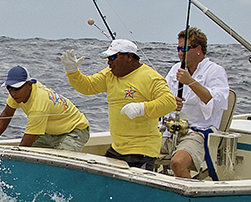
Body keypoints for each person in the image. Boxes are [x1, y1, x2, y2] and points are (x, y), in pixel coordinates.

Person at [61, 38, 177, 170]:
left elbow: (169, 102)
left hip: (142, 151)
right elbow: (88, 87)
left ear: (129, 57)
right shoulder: (109, 74)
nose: (109, 62)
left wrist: (141, 108)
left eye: (113, 57)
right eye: (108, 58)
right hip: (117, 148)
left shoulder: (150, 77)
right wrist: (73, 72)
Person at [160, 27, 230, 179]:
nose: (180, 53)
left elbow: (216, 101)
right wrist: (171, 102)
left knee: (178, 162)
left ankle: (190, 195)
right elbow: (163, 95)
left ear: (198, 49)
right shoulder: (175, 69)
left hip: (198, 133)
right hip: (171, 130)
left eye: (185, 49)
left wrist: (190, 82)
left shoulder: (215, 71)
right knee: (138, 150)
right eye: (178, 49)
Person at [0, 66, 90, 151]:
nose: (13, 92)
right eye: (9, 88)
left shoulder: (39, 103)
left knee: (61, 163)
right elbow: (7, 113)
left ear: (30, 84)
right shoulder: (16, 95)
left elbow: (26, 144)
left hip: (75, 130)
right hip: (50, 132)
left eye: (17, 88)